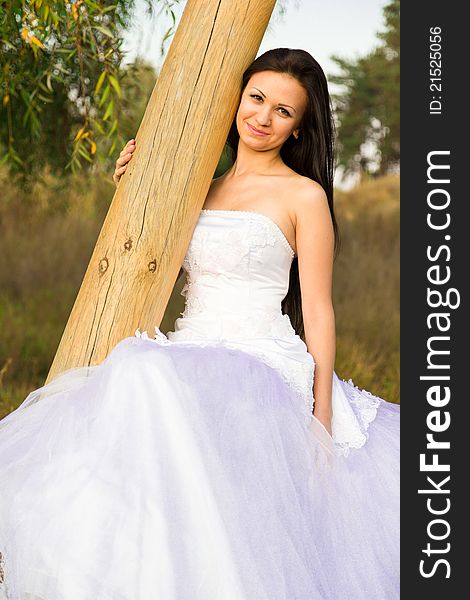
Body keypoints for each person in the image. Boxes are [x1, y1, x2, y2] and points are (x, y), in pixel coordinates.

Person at [0, 48, 399, 599]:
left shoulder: (303, 196)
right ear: (236, 99)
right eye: (256, 98)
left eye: (283, 111)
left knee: (143, 371)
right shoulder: (199, 188)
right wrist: (135, 190)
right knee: (135, 399)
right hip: (191, 344)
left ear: (300, 128)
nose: (262, 117)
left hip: (261, 357)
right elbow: (147, 251)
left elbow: (319, 310)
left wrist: (322, 415)